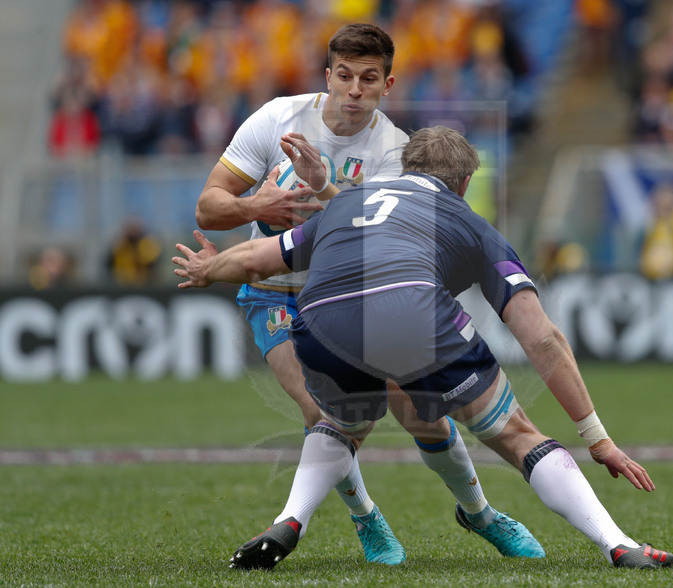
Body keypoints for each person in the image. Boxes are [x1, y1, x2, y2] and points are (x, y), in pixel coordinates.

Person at [173, 126, 673, 571]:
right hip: (413, 314)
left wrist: (206, 269)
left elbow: (260, 257)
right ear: (463, 184)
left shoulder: (348, 201)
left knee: (343, 423)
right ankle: (616, 543)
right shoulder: (471, 222)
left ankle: (291, 519)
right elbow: (543, 338)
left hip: (319, 321)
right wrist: (597, 438)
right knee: (516, 434)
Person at [192, 23, 538, 565]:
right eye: (345, 76)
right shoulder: (276, 117)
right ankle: (367, 520)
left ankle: (480, 514)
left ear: (387, 85)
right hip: (274, 289)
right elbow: (208, 209)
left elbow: (368, 240)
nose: (354, 90)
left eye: (368, 79)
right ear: (327, 77)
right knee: (321, 412)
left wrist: (325, 190)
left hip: (352, 291)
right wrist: (256, 209)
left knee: (420, 411)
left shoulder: (394, 151)